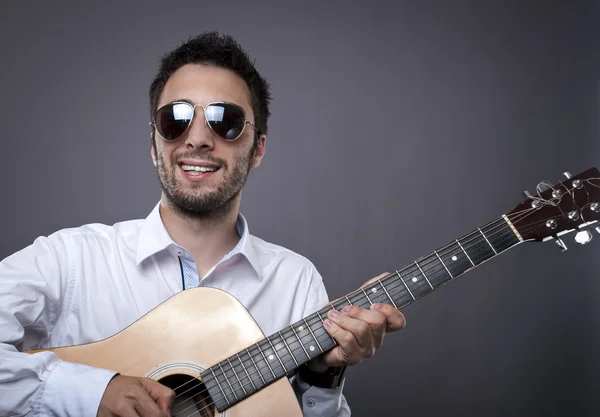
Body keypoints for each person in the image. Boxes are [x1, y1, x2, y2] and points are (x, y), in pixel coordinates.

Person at [0, 31, 406, 417]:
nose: (196, 139)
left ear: (257, 148)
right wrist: (93, 392)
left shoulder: (296, 283)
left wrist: (323, 375)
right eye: (175, 119)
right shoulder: (70, 260)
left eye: (224, 120)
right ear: (154, 143)